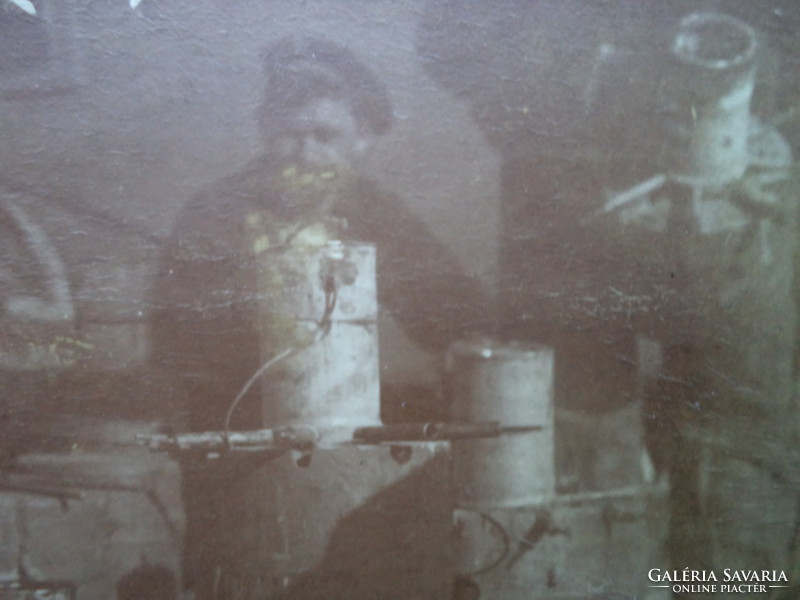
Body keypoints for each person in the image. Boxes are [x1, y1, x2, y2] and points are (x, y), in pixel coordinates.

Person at [149, 35, 490, 597]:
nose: (304, 153)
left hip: (347, 461)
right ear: (264, 131)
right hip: (237, 458)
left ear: (361, 142)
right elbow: (171, 353)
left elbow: (459, 315)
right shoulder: (212, 215)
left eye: (325, 136)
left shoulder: (378, 214)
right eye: (290, 134)